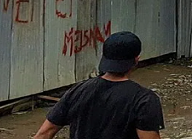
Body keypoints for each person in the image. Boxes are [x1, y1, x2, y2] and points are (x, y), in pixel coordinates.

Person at [33, 32, 164, 139]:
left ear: (104, 57)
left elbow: (44, 134)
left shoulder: (78, 90)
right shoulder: (144, 100)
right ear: (136, 60)